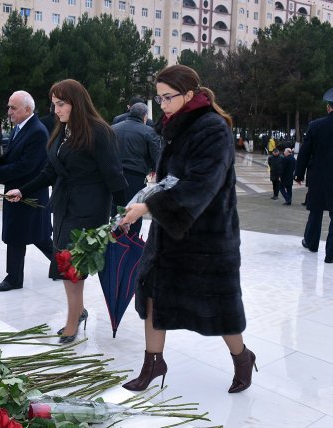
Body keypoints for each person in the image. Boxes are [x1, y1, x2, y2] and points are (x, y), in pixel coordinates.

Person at [119, 65, 254, 394]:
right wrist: (148, 196)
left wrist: (149, 207)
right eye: (159, 97)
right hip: (170, 231)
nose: (162, 105)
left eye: (168, 97)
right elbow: (173, 178)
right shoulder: (175, 125)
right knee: (152, 294)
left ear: (189, 95)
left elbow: (200, 184)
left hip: (207, 234)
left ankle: (242, 357)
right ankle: (153, 363)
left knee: (218, 304)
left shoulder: (212, 129)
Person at [6, 79, 128, 343]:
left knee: (72, 267)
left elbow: (115, 177)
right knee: (65, 264)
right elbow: (51, 171)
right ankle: (78, 311)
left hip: (88, 209)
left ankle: (72, 321)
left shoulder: (98, 132)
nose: (56, 110)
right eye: (54, 105)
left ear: (77, 102)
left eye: (61, 104)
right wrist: (23, 190)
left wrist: (123, 215)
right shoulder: (63, 130)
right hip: (63, 206)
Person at [0, 90, 53, 292]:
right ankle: (64, 266)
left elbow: (26, 166)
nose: (8, 111)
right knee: (37, 236)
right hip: (17, 190)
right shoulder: (20, 128)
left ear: (27, 109)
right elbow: (12, 157)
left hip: (28, 192)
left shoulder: (37, 131)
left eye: (13, 108)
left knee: (22, 235)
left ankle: (14, 279)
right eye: (9, 107)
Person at [294, 86, 333, 264]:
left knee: (315, 211)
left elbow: (305, 153)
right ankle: (331, 254)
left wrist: (298, 174)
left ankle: (312, 243)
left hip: (318, 176)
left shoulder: (315, 125)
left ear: (328, 107)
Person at [111, 102, 161, 236]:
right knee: (133, 213)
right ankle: (131, 245)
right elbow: (157, 156)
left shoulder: (113, 128)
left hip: (113, 176)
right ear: (145, 117)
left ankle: (114, 245)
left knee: (115, 213)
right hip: (135, 176)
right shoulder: (149, 131)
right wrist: (155, 169)